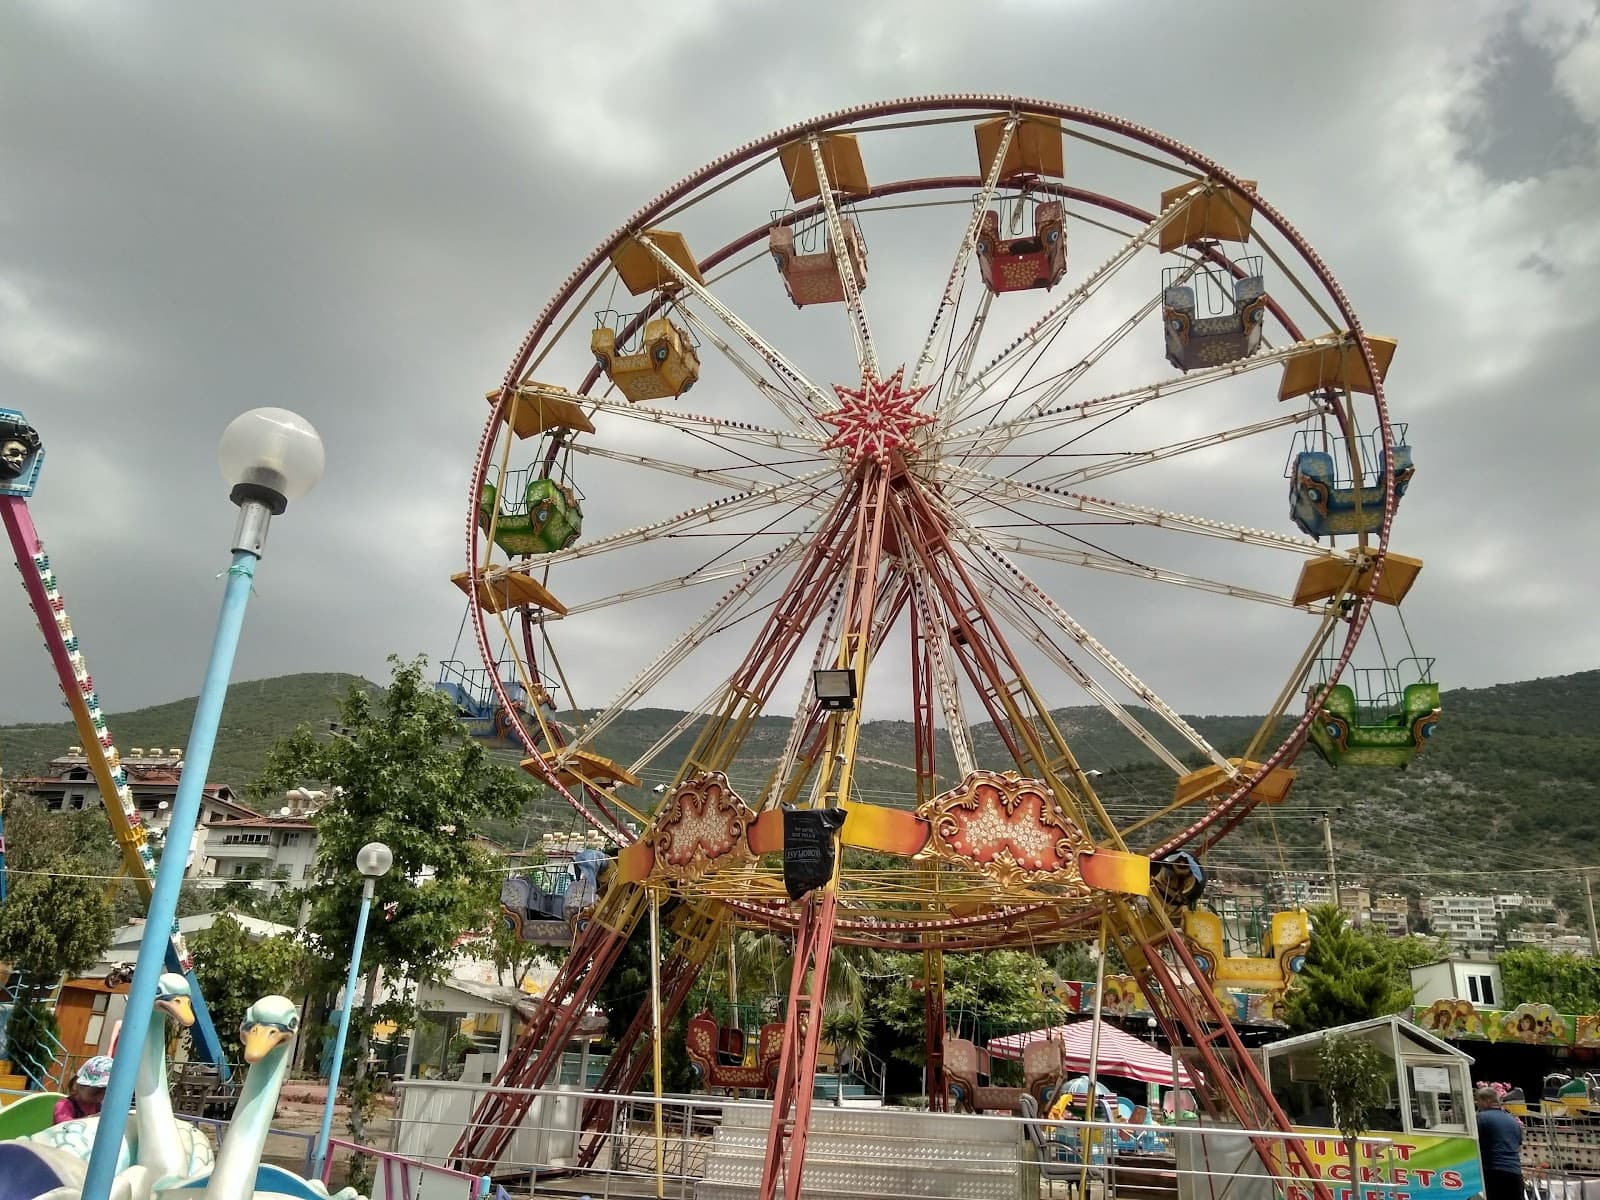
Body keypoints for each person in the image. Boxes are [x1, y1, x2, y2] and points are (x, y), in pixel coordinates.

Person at [1475, 1085, 1524, 1200]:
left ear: (1486, 1101)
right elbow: (1518, 1148)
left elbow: (1474, 1143)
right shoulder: (1513, 1121)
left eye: (1478, 1101)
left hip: (1494, 1171)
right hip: (1515, 1173)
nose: (1477, 1104)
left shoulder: (1481, 1118)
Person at [53, 1056, 114, 1125]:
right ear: (77, 1086)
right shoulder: (64, 1106)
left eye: (105, 1090)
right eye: (97, 1090)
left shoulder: (99, 1106)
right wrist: (93, 1118)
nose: (101, 1095)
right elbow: (63, 1126)